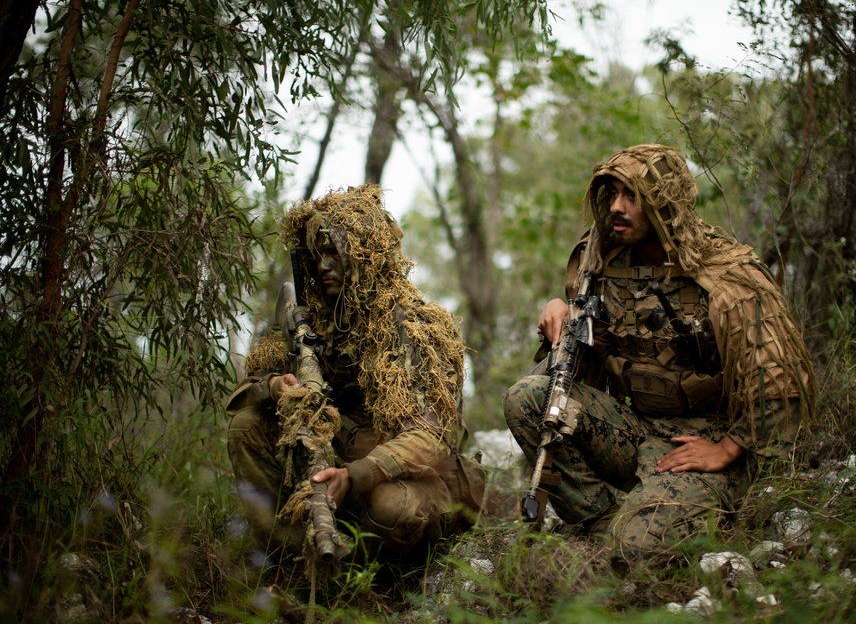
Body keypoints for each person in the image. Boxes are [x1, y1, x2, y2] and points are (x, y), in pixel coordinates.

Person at [503, 144, 814, 563]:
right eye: (611, 193)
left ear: (663, 203)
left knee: (633, 548)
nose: (616, 206)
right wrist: (562, 310)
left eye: (631, 196)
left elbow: (779, 378)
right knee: (526, 399)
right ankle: (601, 520)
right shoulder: (602, 260)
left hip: (703, 442)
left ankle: (660, 518)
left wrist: (727, 448)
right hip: (635, 427)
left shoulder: (726, 276)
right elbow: (588, 347)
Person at [226, 184, 485, 566]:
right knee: (246, 428)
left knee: (392, 508)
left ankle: (373, 578)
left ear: (366, 255)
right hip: (338, 458)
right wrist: (277, 386)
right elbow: (242, 396)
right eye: (317, 254)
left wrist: (356, 475)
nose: (323, 265)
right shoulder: (313, 319)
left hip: (409, 476)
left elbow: (432, 439)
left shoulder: (416, 325)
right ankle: (296, 558)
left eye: (335, 251)